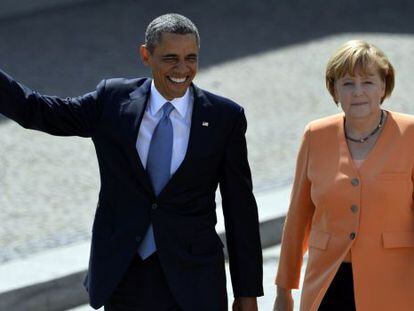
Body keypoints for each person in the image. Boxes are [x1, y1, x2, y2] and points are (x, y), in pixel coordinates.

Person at [0, 13, 263, 311]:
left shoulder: (223, 118)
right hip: (124, 276)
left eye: (191, 58)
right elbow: (38, 111)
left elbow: (239, 208)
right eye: (170, 58)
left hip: (194, 280)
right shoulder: (112, 101)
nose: (182, 69)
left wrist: (247, 291)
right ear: (145, 55)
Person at [273, 39, 414, 311]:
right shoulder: (316, 135)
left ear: (383, 87)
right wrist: (284, 292)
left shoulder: (411, 134)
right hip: (327, 283)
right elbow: (297, 218)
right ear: (334, 90)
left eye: (368, 82)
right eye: (348, 83)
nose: (357, 92)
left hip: (395, 284)